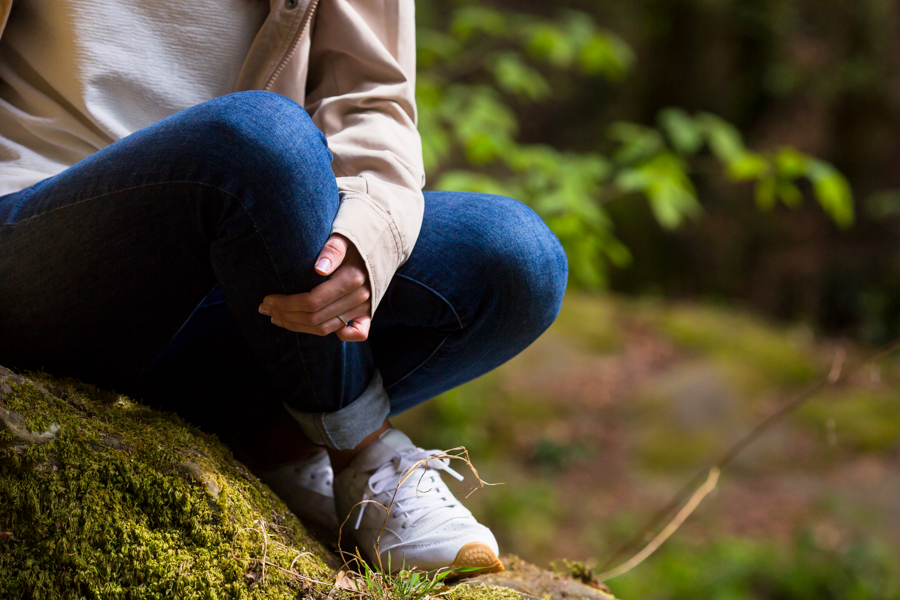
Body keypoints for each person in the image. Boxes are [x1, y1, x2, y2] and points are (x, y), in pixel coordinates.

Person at [0, 0, 567, 575]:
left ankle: (279, 444)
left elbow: (371, 99)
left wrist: (364, 241)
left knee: (518, 256)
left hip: (240, 268)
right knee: (259, 137)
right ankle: (360, 448)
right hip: (42, 249)